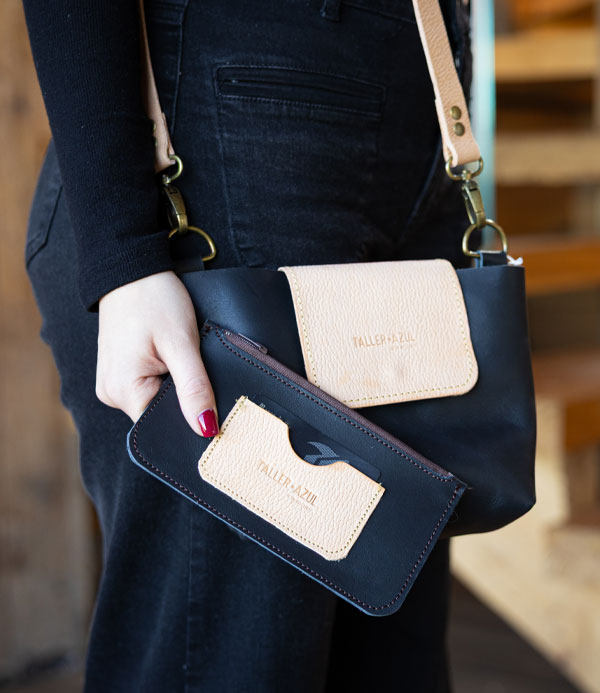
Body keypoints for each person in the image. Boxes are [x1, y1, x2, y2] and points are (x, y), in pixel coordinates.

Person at [22, 0, 473, 690]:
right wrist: (123, 257)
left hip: (415, 123)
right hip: (222, 161)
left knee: (391, 655)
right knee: (227, 662)